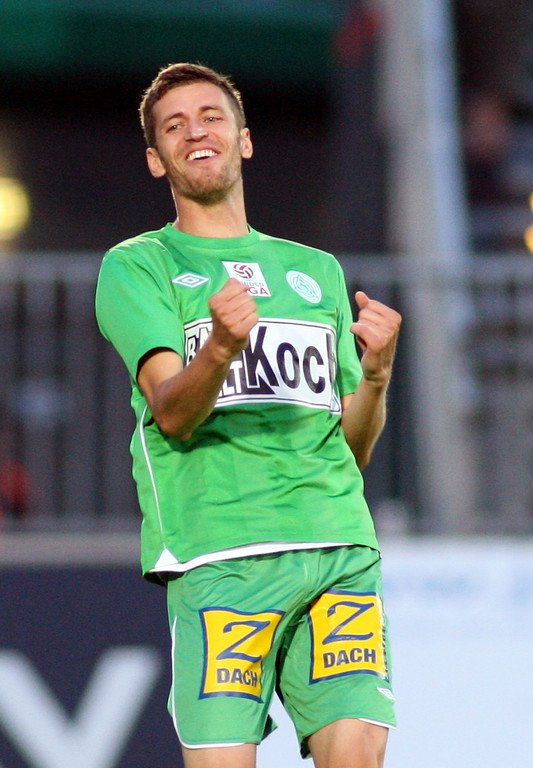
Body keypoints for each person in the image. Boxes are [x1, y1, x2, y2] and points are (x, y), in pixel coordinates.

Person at [95, 62, 401, 768]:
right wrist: (220, 348)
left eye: (211, 117)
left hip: (335, 545)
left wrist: (377, 376)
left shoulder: (316, 270)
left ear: (244, 139)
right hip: (221, 555)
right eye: (174, 126)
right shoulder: (139, 266)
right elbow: (172, 411)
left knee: (358, 755)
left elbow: (352, 449)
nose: (195, 132)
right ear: (156, 159)